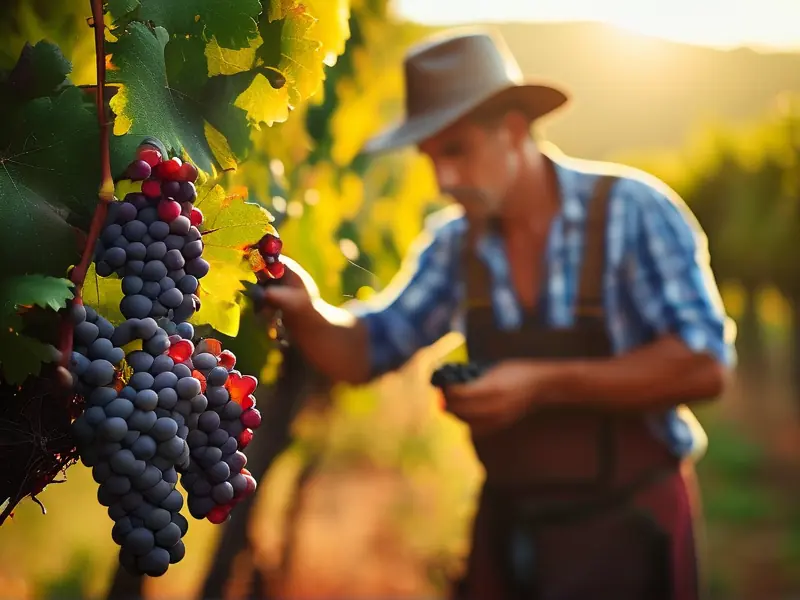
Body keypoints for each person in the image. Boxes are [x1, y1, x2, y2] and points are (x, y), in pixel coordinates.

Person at [260, 28, 735, 600]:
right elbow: (367, 349)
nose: (444, 181)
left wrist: (541, 384)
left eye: (457, 151)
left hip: (631, 528)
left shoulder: (634, 214)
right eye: (432, 159)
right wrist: (310, 312)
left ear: (513, 130)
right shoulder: (454, 245)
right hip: (513, 532)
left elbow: (706, 366)